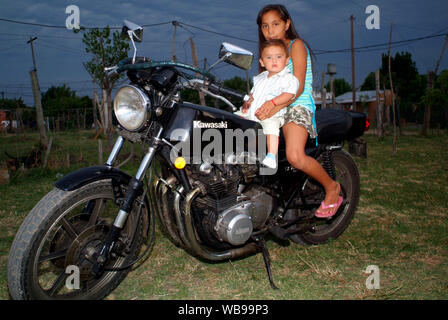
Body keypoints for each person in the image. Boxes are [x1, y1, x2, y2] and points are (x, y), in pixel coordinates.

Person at [249, 4, 342, 218]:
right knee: (242, 144)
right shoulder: (268, 53)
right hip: (275, 107)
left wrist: (274, 105)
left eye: (275, 24)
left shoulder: (296, 45)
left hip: (297, 105)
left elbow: (298, 85)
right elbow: (264, 86)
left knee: (294, 155)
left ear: (287, 24)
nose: (270, 30)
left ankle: (332, 188)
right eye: (265, 26)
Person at [236, 39, 299, 169]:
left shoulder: (288, 78)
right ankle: (240, 151)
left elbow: (290, 94)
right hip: (253, 113)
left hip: (272, 114)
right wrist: (247, 103)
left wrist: (273, 102)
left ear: (287, 60)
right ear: (262, 62)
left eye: (279, 57)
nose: (274, 61)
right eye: (269, 57)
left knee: (271, 127)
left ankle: (271, 155)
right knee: (234, 119)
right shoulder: (260, 78)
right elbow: (252, 94)